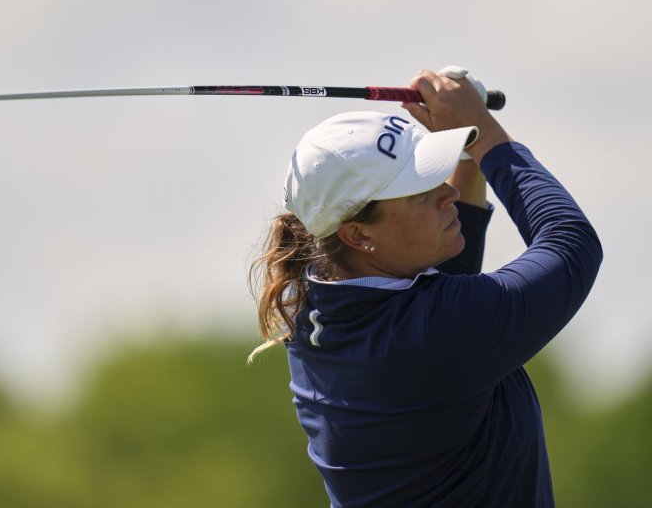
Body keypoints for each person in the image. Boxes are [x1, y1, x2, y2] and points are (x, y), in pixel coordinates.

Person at [248, 68, 602, 507]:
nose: (446, 195)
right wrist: (485, 133)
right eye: (420, 192)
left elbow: (442, 272)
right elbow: (571, 244)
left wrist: (466, 151)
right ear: (357, 234)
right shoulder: (437, 332)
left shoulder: (325, 307)